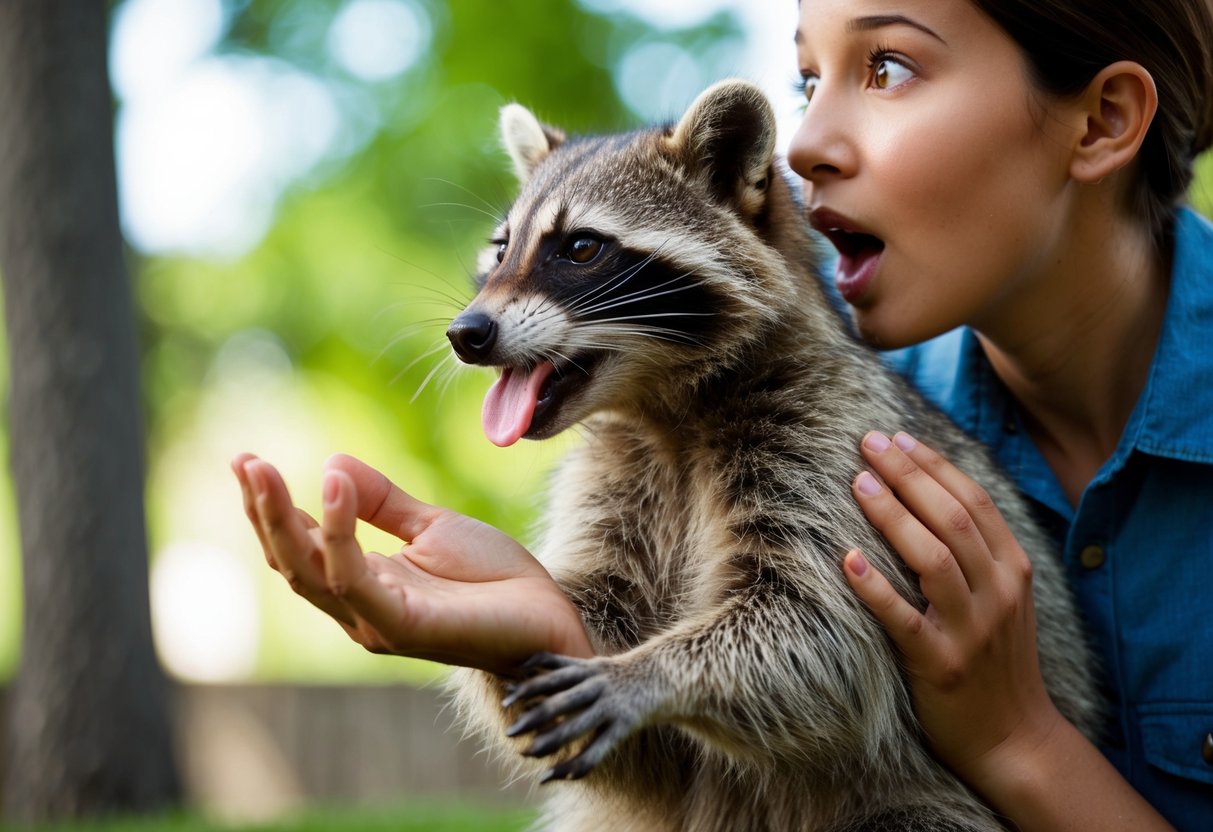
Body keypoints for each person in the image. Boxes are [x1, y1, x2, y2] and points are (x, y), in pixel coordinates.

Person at [232, 1, 1213, 828]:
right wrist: (525, 637)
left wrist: (1016, 739)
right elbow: (643, 769)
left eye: (887, 65)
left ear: (1101, 119)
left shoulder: (849, 405)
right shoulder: (647, 410)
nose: (809, 145)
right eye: (803, 81)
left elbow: (806, 651)